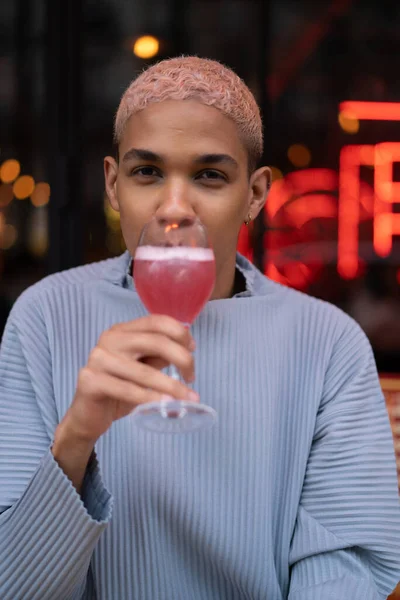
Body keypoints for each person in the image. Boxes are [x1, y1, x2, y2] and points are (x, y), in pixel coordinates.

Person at [0, 56, 399, 600]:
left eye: (210, 176)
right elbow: (13, 585)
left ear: (255, 195)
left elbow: (344, 568)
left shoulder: (327, 342)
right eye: (147, 173)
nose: (175, 208)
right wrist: (75, 439)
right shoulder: (45, 317)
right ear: (114, 187)